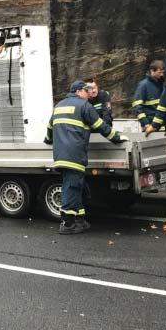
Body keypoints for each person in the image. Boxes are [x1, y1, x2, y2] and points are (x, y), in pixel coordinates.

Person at [45, 80, 128, 234]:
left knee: (78, 188)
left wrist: (48, 140)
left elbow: (49, 130)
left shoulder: (58, 106)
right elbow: (101, 126)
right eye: (85, 90)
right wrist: (117, 137)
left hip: (61, 155)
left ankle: (80, 220)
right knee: (72, 187)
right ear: (78, 91)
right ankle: (67, 224)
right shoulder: (84, 106)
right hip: (75, 155)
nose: (88, 94)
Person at [132, 60, 165, 131]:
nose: (162, 75)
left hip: (161, 125)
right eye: (159, 72)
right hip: (149, 126)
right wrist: (145, 123)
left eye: (162, 72)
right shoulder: (143, 85)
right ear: (152, 71)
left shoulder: (161, 85)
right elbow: (137, 106)